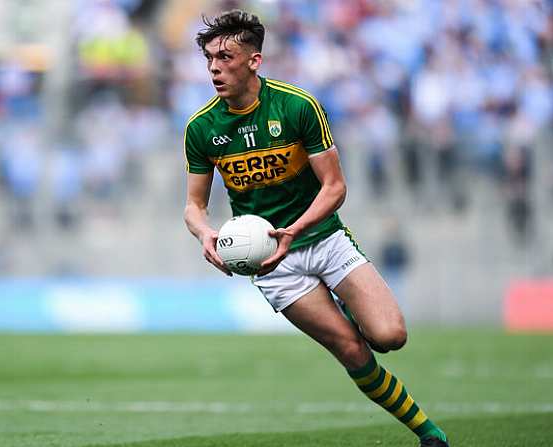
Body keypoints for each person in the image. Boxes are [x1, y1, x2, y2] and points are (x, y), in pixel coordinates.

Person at [182, 10, 449, 447]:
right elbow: (193, 206)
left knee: (390, 336)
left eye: (225, 56)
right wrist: (205, 234)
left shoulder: (296, 106)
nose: (214, 68)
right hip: (271, 265)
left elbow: (335, 187)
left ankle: (347, 303)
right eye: (209, 58)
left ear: (254, 61)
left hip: (324, 240)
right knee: (352, 350)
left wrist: (295, 228)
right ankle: (428, 434)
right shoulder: (201, 128)